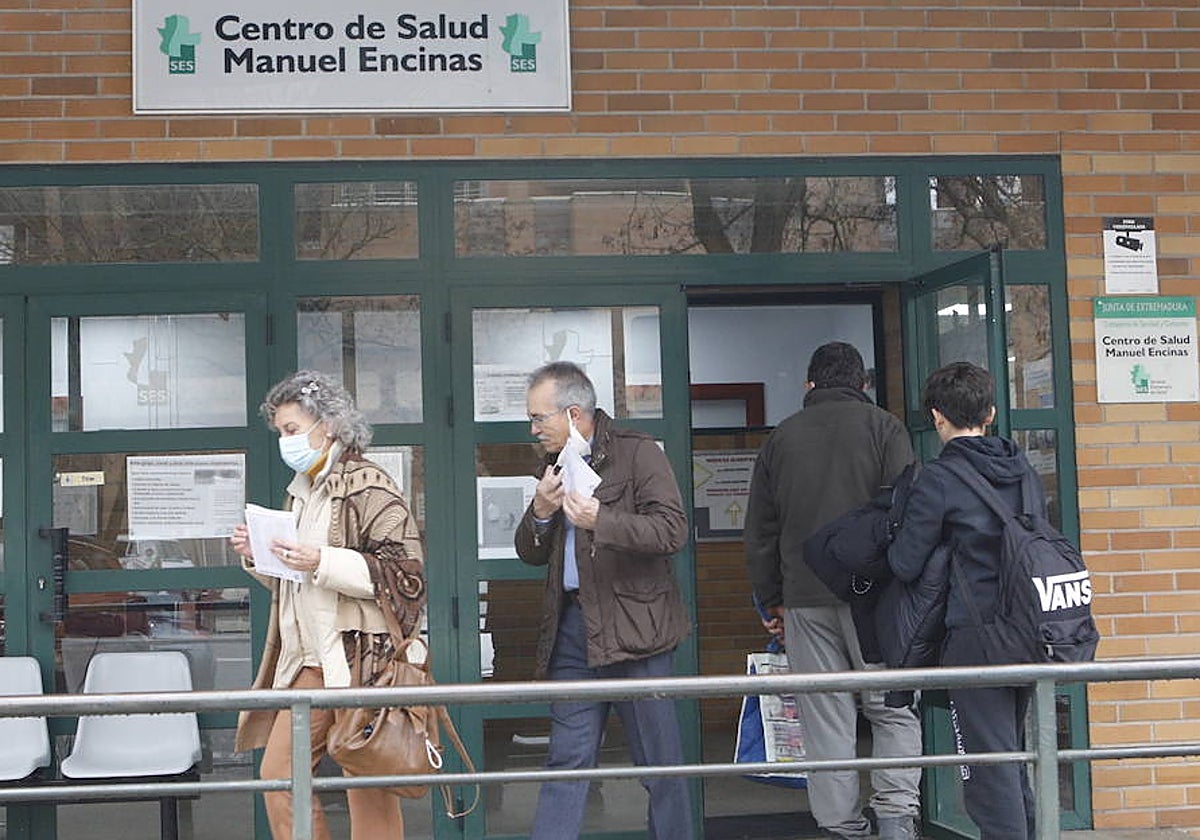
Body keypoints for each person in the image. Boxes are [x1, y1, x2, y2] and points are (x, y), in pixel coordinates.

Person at [230, 370, 424, 840]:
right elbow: (298, 580)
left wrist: (321, 559)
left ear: (329, 425)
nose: (286, 441)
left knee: (368, 786)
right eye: (281, 432)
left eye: (292, 429)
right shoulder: (302, 489)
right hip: (308, 660)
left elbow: (408, 577)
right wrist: (261, 559)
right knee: (279, 777)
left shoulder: (371, 485)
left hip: (363, 658)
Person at [744, 341, 922, 840]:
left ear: (809, 386)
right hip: (878, 598)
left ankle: (842, 828)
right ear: (862, 383)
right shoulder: (886, 428)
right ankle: (896, 819)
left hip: (804, 598)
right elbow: (907, 515)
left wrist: (770, 597)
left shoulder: (780, 439)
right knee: (893, 711)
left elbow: (760, 530)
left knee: (827, 721)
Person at [513, 361, 694, 840]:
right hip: (573, 633)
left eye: (539, 418)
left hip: (639, 633)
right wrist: (541, 512)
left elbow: (673, 531)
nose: (533, 429)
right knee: (565, 762)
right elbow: (530, 552)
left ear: (574, 413)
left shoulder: (638, 455)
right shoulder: (553, 464)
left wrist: (603, 519)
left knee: (661, 765)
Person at [887, 361, 1042, 839]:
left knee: (986, 772)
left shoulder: (939, 478)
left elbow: (905, 563)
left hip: (976, 640)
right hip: (1028, 630)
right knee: (1011, 761)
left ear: (937, 418)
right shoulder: (1023, 470)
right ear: (991, 412)